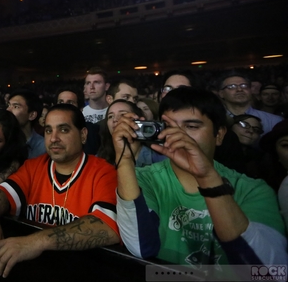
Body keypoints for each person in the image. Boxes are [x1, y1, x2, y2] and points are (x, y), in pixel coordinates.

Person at [114, 87, 287, 267]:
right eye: (170, 127)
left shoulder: (253, 190)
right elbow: (141, 247)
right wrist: (125, 160)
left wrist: (206, 177)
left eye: (191, 126)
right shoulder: (144, 178)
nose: (178, 135)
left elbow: (269, 271)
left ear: (219, 135)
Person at [0, 104, 120, 278]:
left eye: (64, 130)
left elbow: (107, 228)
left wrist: (36, 242)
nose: (53, 138)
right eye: (49, 131)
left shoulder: (103, 171)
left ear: (83, 135)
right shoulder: (33, 167)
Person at [97, 100, 166, 167]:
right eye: (110, 116)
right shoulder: (98, 160)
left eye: (122, 114)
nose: (115, 119)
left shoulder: (161, 161)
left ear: (138, 120)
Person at [218, 71, 282, 135]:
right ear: (221, 93)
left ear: (250, 90)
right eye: (232, 86)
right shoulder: (215, 119)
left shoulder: (274, 121)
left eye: (244, 85)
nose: (239, 89)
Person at [6, 90, 45, 159]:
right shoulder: (1, 142)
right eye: (9, 105)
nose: (8, 110)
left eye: (16, 107)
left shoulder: (43, 147)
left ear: (32, 115)